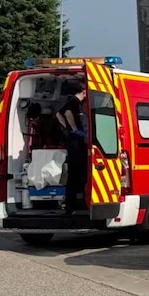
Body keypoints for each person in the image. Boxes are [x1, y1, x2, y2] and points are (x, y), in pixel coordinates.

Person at [59, 80, 89, 213]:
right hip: (76, 142)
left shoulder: (74, 103)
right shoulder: (75, 102)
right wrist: (74, 128)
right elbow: (66, 113)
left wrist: (67, 128)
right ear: (83, 91)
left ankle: (74, 203)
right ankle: (73, 204)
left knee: (76, 173)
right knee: (77, 173)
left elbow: (58, 114)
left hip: (74, 139)